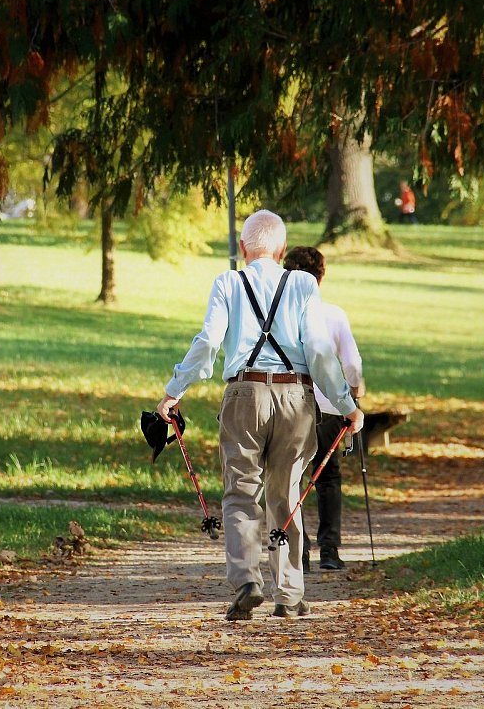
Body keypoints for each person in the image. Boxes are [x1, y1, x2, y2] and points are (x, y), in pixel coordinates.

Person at [156, 210, 364, 621]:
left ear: (243, 248)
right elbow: (320, 353)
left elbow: (208, 342)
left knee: (240, 491)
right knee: (286, 494)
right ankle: (289, 594)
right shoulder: (303, 284)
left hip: (243, 393)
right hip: (295, 396)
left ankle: (247, 581)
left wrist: (173, 392)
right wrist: (346, 405)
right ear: (282, 250)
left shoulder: (228, 282)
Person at [282, 246, 364, 572]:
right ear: (322, 275)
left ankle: (298, 552)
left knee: (293, 476)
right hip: (330, 406)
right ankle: (329, 550)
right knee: (328, 477)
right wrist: (355, 390)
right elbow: (352, 363)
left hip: (292, 403)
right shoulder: (333, 314)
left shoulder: (282, 316)